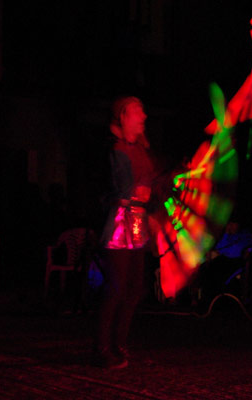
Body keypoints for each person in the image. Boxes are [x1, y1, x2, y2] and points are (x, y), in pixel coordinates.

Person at [94, 96, 155, 369]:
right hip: (119, 222)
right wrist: (128, 194)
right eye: (138, 110)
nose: (144, 116)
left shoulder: (140, 150)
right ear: (123, 116)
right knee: (116, 287)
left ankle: (119, 344)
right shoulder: (113, 149)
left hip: (137, 222)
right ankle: (102, 348)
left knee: (134, 288)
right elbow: (111, 188)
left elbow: (149, 184)